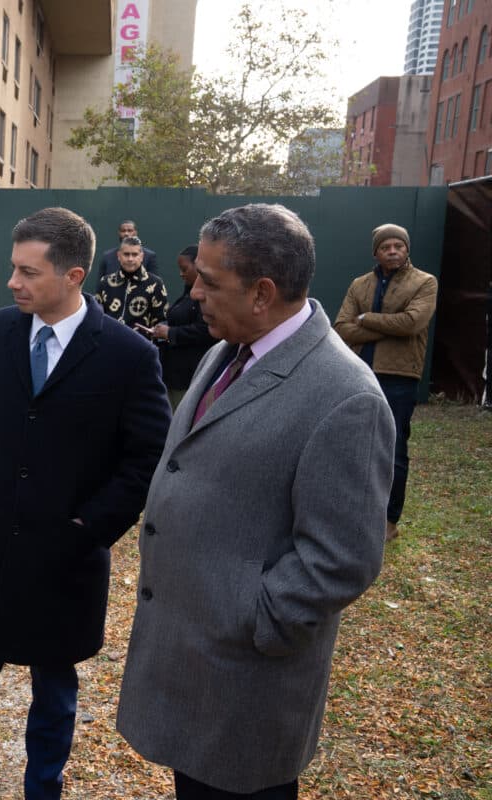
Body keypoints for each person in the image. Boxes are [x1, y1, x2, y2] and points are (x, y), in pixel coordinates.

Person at [116, 203, 395, 800]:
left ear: (263, 292)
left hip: (246, 684)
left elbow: (342, 558)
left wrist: (250, 616)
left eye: (209, 282)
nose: (192, 294)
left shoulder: (345, 397)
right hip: (190, 667)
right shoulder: (228, 350)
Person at [0, 207, 170, 800]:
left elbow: (145, 458)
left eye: (27, 272)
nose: (12, 282)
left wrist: (87, 527)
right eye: (12, 269)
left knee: (54, 692)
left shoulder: (128, 356)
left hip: (65, 555)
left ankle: (45, 789)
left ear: (73, 275)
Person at [334, 224, 438, 541]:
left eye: (398, 246)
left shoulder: (424, 282)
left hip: (398, 377)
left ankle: (388, 521)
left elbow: (412, 322)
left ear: (406, 250)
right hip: (358, 373)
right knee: (355, 445)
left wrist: (366, 320)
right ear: (376, 252)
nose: (393, 251)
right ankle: (354, 513)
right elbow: (341, 328)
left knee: (392, 449)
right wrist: (385, 326)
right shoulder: (360, 284)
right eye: (386, 247)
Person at [152, 245, 218, 408]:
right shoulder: (187, 294)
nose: (181, 274)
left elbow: (205, 330)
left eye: (184, 269)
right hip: (173, 374)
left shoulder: (207, 297)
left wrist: (171, 333)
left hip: (190, 376)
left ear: (198, 266)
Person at [95, 235, 168, 333]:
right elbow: (97, 317)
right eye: (126, 254)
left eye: (134, 254)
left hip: (141, 344)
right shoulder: (105, 282)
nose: (130, 259)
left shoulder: (155, 284)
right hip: (109, 343)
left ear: (141, 257)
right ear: (119, 256)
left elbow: (162, 321)